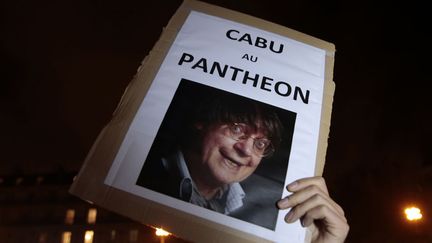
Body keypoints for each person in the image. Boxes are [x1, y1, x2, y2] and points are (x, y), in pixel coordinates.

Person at [137, 85, 349, 241]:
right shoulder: (139, 176)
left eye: (261, 144)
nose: (246, 150)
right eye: (237, 129)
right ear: (201, 122)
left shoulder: (265, 215)